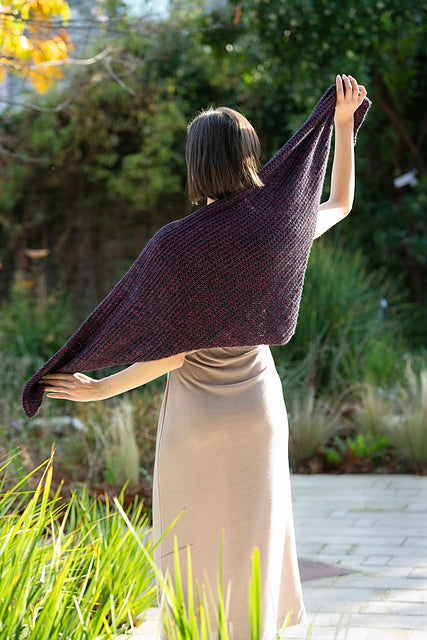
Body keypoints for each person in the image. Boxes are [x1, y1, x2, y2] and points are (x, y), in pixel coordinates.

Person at [39, 74, 367, 639]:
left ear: (195, 165)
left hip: (197, 420)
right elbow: (340, 203)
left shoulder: (176, 244)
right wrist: (341, 126)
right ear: (250, 157)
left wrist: (100, 387)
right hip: (258, 411)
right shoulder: (280, 229)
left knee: (189, 548)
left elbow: (171, 355)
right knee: (255, 545)